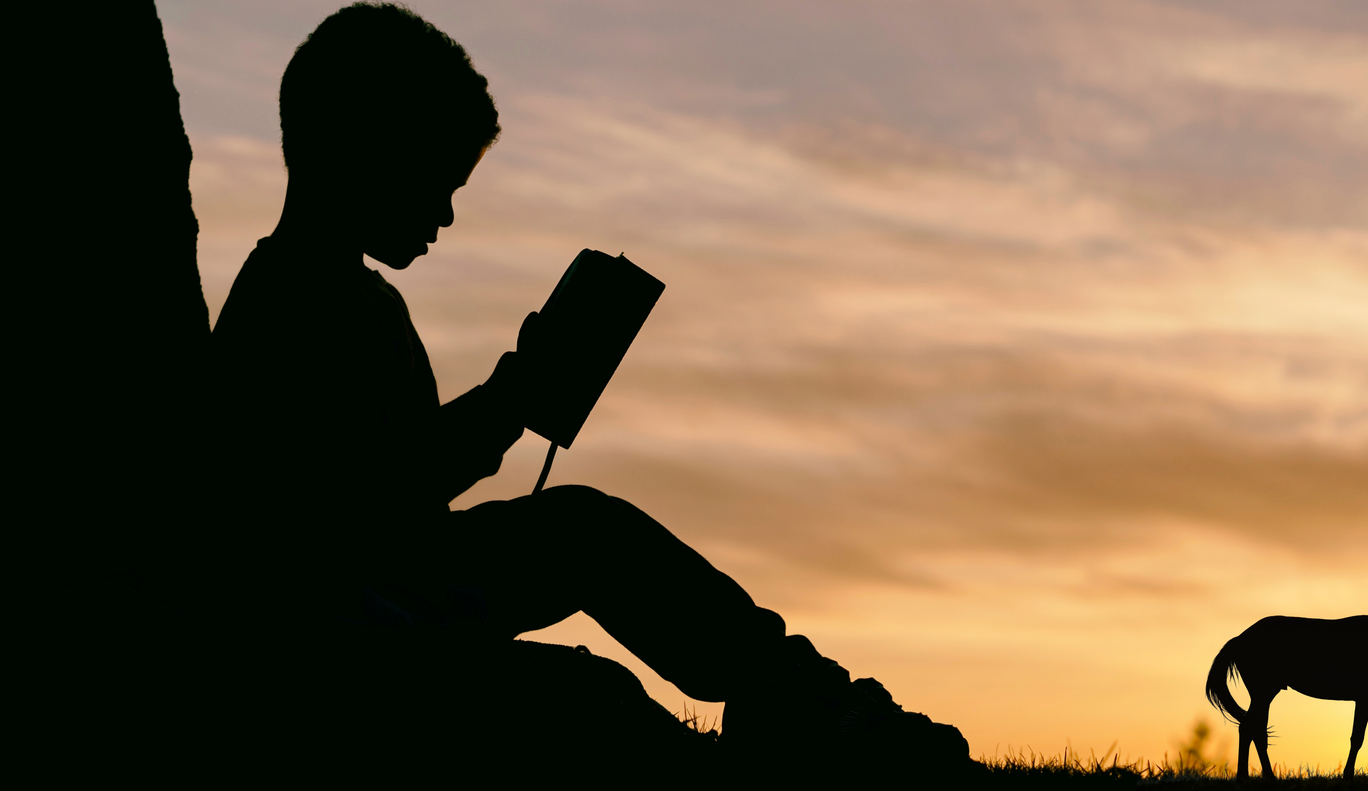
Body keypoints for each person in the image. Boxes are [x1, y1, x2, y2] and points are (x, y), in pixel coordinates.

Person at [210, 2, 969, 772]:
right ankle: (809, 733)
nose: (442, 215)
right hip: (349, 639)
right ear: (364, 149)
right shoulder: (289, 305)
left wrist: (513, 393)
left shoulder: (352, 296)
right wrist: (512, 398)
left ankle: (804, 700)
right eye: (434, 181)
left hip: (399, 587)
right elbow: (360, 506)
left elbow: (400, 478)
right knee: (593, 692)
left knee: (585, 528)